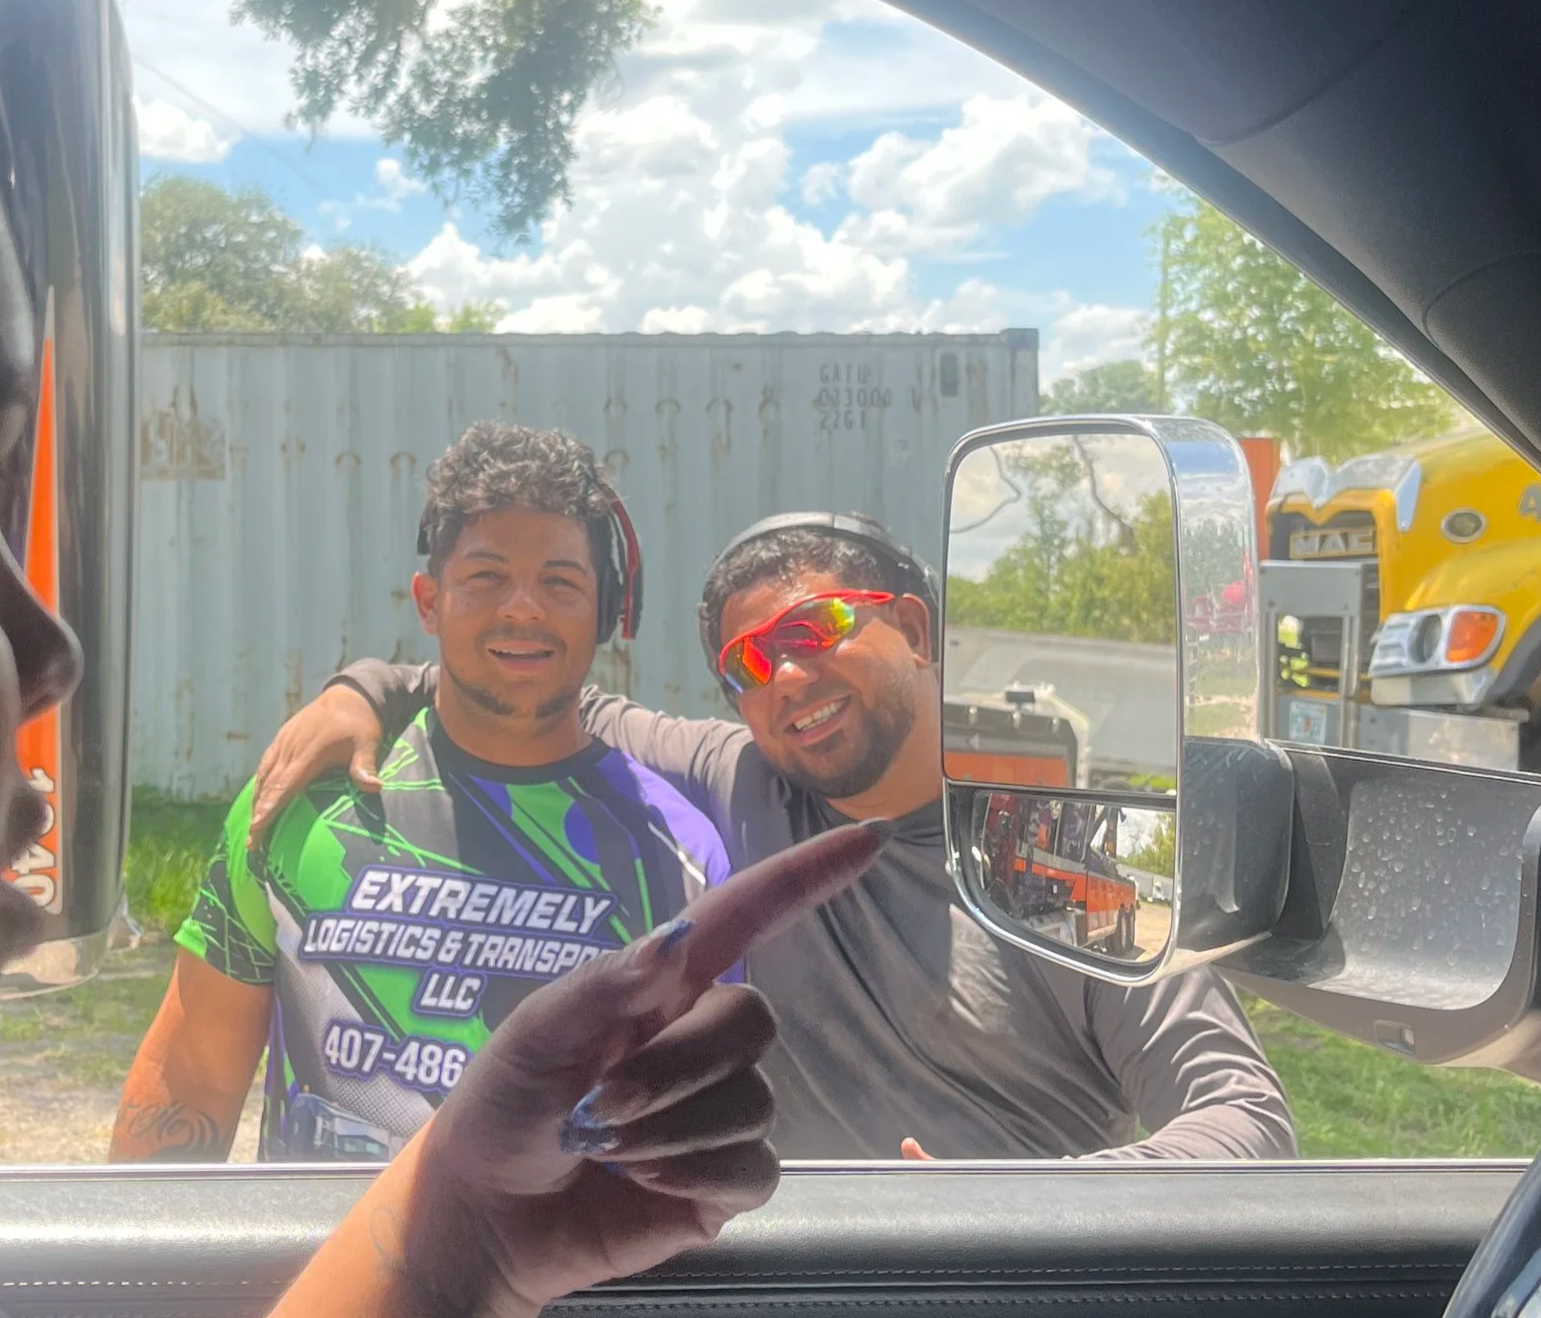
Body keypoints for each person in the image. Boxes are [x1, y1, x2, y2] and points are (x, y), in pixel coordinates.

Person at [252, 511, 1299, 1161]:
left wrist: (1014, 1211)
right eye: (746, 665)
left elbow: (1241, 1115)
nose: (783, 679)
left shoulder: (1069, 855)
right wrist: (370, 688)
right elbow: (517, 684)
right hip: (789, 1274)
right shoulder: (739, 783)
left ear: (919, 631)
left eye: (811, 630)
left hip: (1007, 1281)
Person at [111, 421, 732, 1163]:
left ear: (605, 612)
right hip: (322, 1275)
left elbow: (687, 1130)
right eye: (486, 576)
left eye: (561, 582)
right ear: (429, 601)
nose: (523, 607)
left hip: (559, 1277)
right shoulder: (301, 802)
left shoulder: (678, 854)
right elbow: (194, 1079)